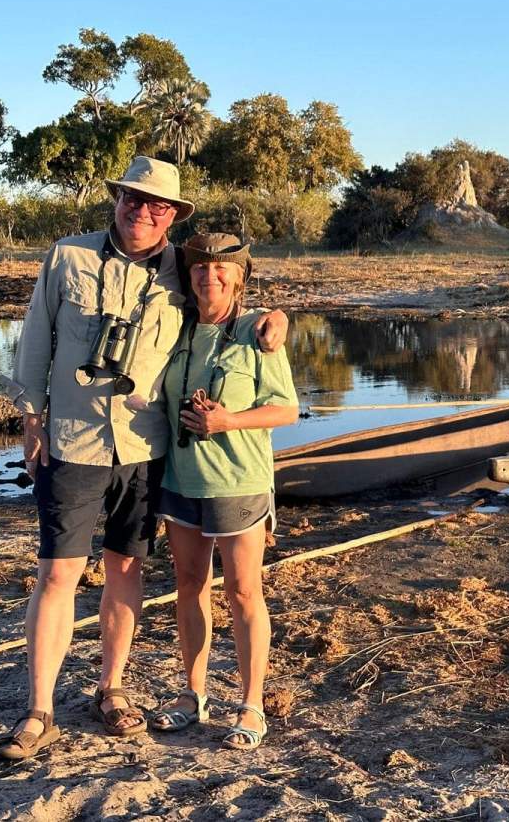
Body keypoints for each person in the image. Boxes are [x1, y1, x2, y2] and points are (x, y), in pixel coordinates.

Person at [0, 157, 288, 760]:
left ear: (174, 216)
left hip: (147, 447)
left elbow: (231, 295)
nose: (143, 211)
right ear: (117, 199)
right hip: (72, 438)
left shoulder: (181, 267)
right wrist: (30, 418)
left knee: (126, 569)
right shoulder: (67, 256)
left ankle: (112, 689)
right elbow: (35, 339)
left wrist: (278, 319)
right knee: (56, 573)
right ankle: (39, 711)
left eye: (159, 206)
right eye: (133, 198)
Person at [147, 232, 297, 750]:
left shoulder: (258, 331)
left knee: (242, 591)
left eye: (221, 269)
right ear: (188, 276)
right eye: (200, 268)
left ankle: (251, 704)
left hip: (240, 482)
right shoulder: (174, 327)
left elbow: (287, 410)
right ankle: (193, 695)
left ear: (239, 276)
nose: (209, 276)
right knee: (189, 585)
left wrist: (229, 420)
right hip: (180, 479)